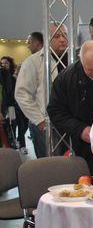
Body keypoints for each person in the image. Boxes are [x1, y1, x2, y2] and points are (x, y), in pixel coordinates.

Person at [48, 40, 93, 178]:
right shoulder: (67, 77)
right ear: (81, 61)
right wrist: (80, 130)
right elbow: (56, 111)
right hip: (86, 147)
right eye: (89, 69)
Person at [15, 23, 69, 157]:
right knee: (51, 168)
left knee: (74, 165)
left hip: (71, 123)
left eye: (65, 35)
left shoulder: (75, 59)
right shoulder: (33, 62)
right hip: (46, 124)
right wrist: (39, 121)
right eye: (57, 36)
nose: (62, 39)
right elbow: (22, 94)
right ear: (47, 39)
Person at [1, 56, 29, 153]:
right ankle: (18, 145)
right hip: (9, 106)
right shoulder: (2, 77)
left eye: (6, 63)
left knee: (23, 125)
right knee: (12, 125)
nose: (4, 65)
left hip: (19, 104)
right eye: (2, 63)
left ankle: (19, 141)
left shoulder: (14, 77)